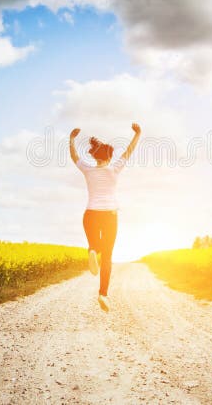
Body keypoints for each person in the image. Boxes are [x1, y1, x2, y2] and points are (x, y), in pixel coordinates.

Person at [70, 123, 141, 312]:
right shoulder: (114, 169)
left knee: (96, 245)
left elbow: (74, 157)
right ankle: (103, 294)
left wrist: (71, 139)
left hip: (90, 214)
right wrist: (137, 134)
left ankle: (93, 250)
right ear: (109, 157)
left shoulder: (87, 169)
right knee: (108, 256)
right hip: (109, 214)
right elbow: (129, 150)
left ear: (94, 156)